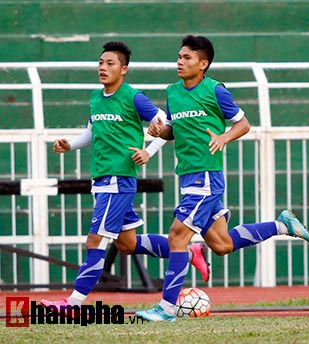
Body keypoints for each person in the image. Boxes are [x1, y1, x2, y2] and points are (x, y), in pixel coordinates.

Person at [135, 35, 309, 322]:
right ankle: (282, 225)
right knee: (221, 245)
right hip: (189, 177)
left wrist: (224, 137)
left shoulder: (215, 90)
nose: (180, 62)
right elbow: (172, 130)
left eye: (187, 58)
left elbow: (243, 124)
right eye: (179, 57)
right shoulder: (173, 91)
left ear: (203, 64)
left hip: (206, 178)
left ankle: (167, 308)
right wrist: (159, 133)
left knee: (177, 236)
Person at [41, 41, 210, 311]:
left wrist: (148, 152)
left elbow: (167, 125)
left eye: (110, 64)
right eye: (100, 63)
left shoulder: (134, 97)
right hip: (101, 179)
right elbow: (91, 131)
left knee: (95, 240)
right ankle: (189, 252)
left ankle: (72, 303)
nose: (103, 68)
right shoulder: (96, 98)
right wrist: (70, 145)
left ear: (124, 69)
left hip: (118, 180)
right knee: (127, 243)